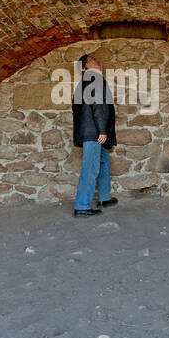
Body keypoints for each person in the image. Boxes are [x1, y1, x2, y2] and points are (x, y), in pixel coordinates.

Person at [71, 52, 118, 217]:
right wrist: (102, 130)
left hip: (90, 131)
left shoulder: (84, 82)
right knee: (90, 168)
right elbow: (99, 105)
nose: (96, 60)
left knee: (104, 160)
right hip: (94, 133)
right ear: (85, 67)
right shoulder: (93, 78)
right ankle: (82, 206)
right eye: (91, 60)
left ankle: (104, 197)